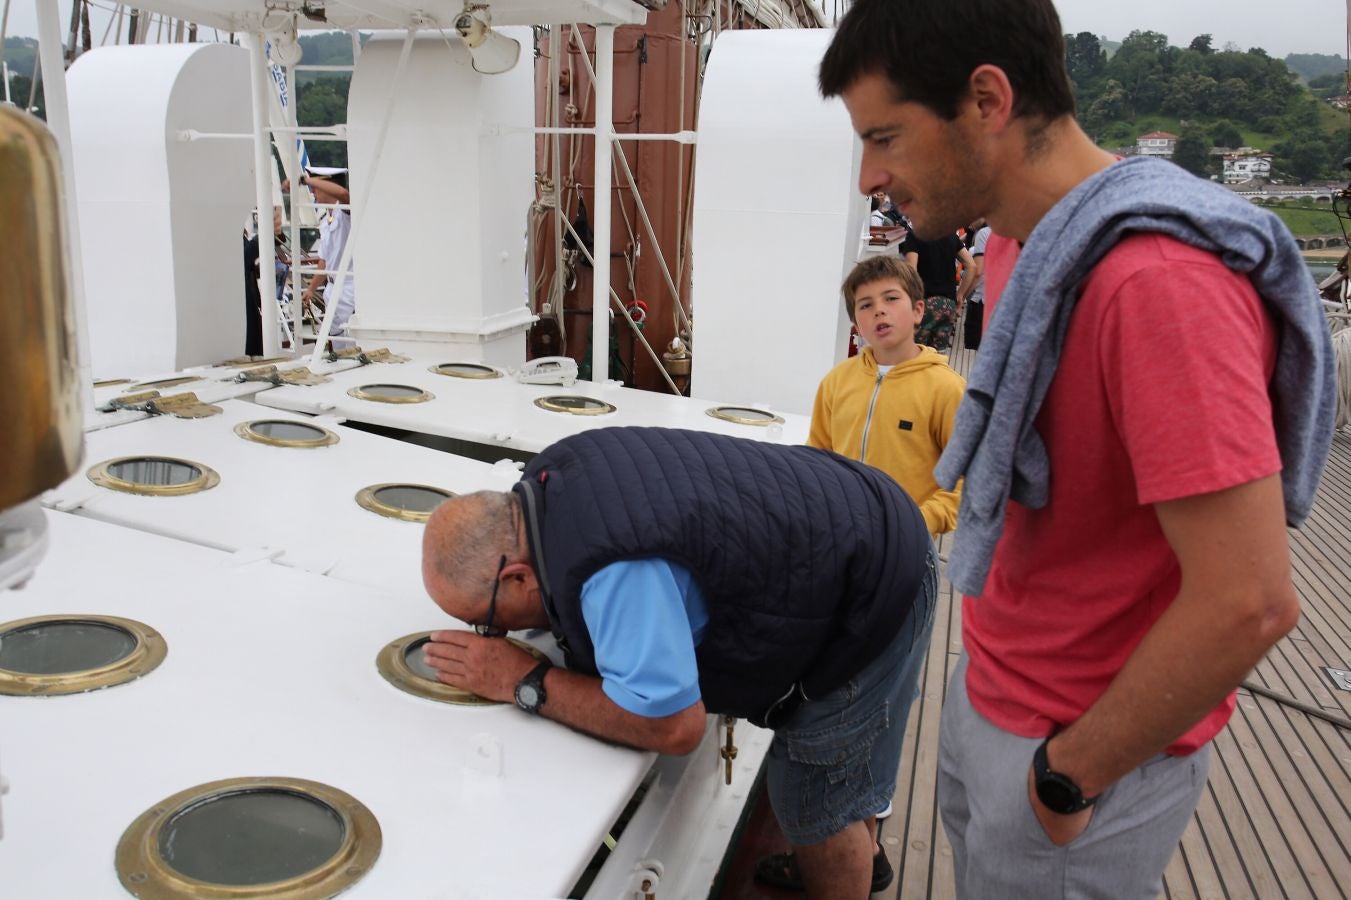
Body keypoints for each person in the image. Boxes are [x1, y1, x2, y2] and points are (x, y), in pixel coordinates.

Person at [819, 1, 1336, 898]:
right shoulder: (1026, 243)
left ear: (986, 99)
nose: (872, 175)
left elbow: (1247, 601)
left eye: (886, 137)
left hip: (1075, 746)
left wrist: (1067, 774)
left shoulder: (1157, 286)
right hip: (996, 682)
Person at [420, 427, 938, 900]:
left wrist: (522, 680)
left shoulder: (612, 572)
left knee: (815, 796)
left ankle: (839, 867)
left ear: (516, 578)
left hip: (875, 591)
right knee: (853, 772)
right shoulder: (549, 478)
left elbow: (674, 726)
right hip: (863, 519)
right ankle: (858, 856)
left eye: (487, 620)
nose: (492, 635)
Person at [809, 254, 965, 536]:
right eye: (866, 305)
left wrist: (920, 521)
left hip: (909, 543)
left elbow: (963, 478)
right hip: (842, 533)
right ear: (856, 324)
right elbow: (816, 456)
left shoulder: (947, 389)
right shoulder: (836, 382)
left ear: (918, 310)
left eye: (891, 298)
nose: (879, 310)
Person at [298, 168, 357, 342]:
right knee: (337, 340)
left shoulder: (345, 212)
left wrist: (306, 180)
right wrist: (311, 290)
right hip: (331, 288)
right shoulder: (325, 221)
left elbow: (343, 193)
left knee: (350, 338)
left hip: (348, 287)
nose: (313, 192)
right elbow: (324, 262)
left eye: (316, 187)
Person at [901, 228, 975, 352]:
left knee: (914, 355)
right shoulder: (950, 235)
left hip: (923, 303)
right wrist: (961, 295)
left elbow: (911, 271)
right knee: (938, 356)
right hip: (948, 304)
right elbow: (971, 266)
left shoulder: (915, 235)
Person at [963, 220, 991, 350]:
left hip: (982, 301)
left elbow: (978, 271)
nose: (969, 221)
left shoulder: (984, 234)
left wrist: (962, 295)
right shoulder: (1014, 233)